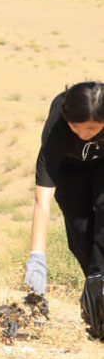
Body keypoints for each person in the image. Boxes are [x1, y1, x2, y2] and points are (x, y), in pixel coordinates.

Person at [24, 82, 104, 312]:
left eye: (91, 129)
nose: (82, 134)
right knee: (80, 233)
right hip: (69, 171)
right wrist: (37, 257)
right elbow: (43, 199)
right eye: (75, 127)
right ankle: (96, 300)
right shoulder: (58, 128)